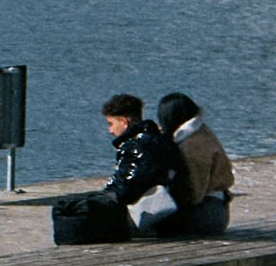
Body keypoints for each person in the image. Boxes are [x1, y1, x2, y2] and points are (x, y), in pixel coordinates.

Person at [53, 94, 187, 243]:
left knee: (74, 218)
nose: (110, 130)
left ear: (124, 122)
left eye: (111, 123)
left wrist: (102, 198)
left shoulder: (138, 145)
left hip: (153, 217)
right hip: (170, 215)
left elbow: (127, 188)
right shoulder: (156, 138)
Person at [157, 92, 237, 238]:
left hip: (207, 214)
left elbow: (193, 194)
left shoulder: (192, 146)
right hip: (216, 209)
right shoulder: (201, 131)